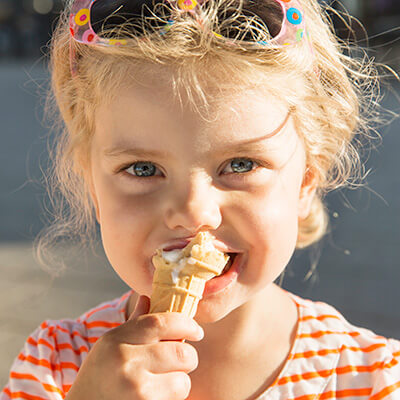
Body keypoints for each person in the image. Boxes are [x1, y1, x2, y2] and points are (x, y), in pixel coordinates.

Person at [1, 0, 399, 399]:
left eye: (241, 164)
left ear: (306, 184)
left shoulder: (374, 378)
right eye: (142, 169)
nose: (194, 213)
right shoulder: (55, 366)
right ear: (93, 189)